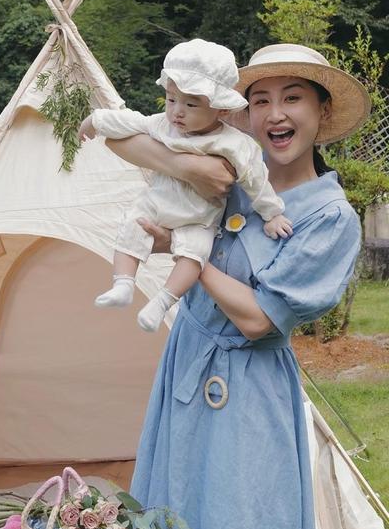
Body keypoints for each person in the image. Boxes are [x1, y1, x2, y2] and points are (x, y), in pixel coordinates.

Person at [106, 44, 370, 529]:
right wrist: (183, 166)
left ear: (321, 113)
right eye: (261, 100)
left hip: (249, 390)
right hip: (185, 367)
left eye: (293, 98)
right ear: (243, 113)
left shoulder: (329, 216)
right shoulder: (234, 173)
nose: (276, 113)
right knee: (171, 525)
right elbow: (117, 135)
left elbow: (258, 319)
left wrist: (189, 254)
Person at [79, 39, 291, 332]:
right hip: (157, 204)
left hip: (199, 218)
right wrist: (96, 120)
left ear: (221, 110)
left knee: (194, 254)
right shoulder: (164, 125)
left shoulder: (233, 143)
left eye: (191, 104)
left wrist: (272, 213)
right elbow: (131, 123)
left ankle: (162, 302)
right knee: (132, 224)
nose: (177, 111)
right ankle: (124, 283)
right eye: (171, 99)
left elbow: (256, 179)